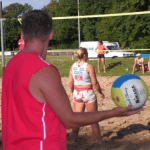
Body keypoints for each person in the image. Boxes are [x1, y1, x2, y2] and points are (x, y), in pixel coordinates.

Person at [2, 10, 142, 150]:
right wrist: (113, 112)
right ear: (51, 33)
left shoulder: (10, 65)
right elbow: (69, 120)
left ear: (22, 34)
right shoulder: (44, 70)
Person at [69, 47, 105, 143]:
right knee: (93, 119)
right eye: (87, 54)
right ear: (84, 55)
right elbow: (95, 83)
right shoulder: (88, 66)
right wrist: (101, 93)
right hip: (87, 92)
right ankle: (99, 141)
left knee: (77, 119)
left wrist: (73, 92)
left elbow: (70, 82)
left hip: (77, 92)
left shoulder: (73, 66)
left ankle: (73, 140)